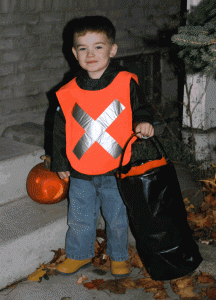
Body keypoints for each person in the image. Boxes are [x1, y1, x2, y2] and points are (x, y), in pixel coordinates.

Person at [51, 15, 154, 277]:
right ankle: (78, 254)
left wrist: (143, 122)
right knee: (79, 219)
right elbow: (60, 129)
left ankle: (118, 256)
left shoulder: (126, 82)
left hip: (115, 168)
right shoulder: (68, 91)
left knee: (117, 217)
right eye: (83, 48)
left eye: (98, 46)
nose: (91, 53)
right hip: (81, 170)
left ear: (113, 49)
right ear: (74, 53)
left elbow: (141, 107)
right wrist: (61, 162)